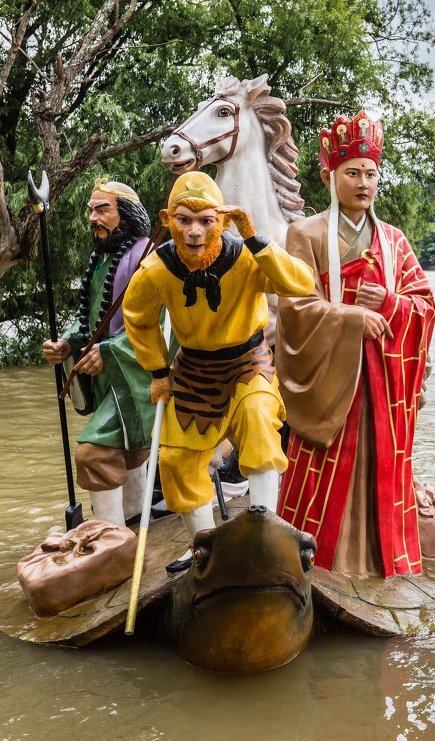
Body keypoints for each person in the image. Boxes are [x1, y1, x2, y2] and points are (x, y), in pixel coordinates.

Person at [122, 171, 314, 571]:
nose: (194, 232)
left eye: (206, 220)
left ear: (223, 221)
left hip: (247, 363)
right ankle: (206, 548)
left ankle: (264, 536)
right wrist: (158, 369)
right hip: (193, 369)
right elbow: (138, 318)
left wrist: (257, 240)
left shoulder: (246, 256)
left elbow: (299, 283)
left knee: (260, 423)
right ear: (166, 219)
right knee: (175, 460)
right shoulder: (156, 269)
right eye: (184, 220)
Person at [275, 112, 435, 578]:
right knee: (323, 467)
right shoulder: (304, 234)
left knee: (379, 467)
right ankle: (315, 562)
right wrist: (351, 317)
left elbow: (424, 304)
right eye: (352, 173)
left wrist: (388, 303)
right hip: (332, 379)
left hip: (382, 384)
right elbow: (295, 308)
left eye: (370, 173)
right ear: (332, 176)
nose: (362, 183)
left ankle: (378, 563)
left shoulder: (393, 240)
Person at [42, 179, 155, 526]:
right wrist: (67, 342)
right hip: (111, 374)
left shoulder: (149, 259)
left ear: (127, 213)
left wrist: (110, 352)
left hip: (139, 374)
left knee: (93, 453)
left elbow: (162, 325)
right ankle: (134, 516)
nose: (93, 217)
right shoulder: (101, 262)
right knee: (124, 452)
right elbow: (92, 320)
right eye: (91, 210)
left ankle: (109, 535)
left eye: (102, 209)